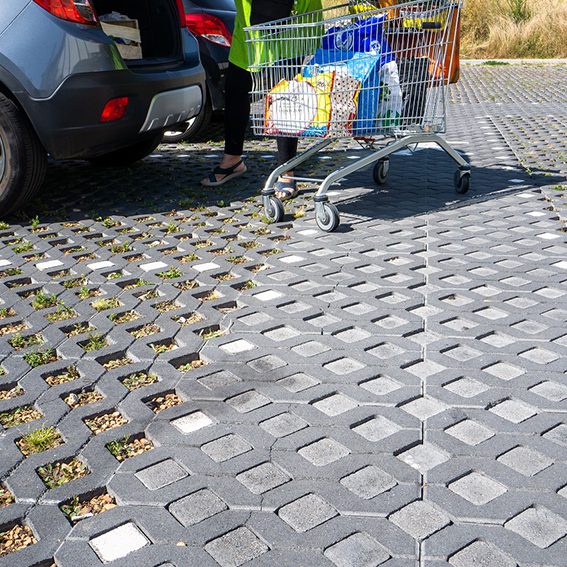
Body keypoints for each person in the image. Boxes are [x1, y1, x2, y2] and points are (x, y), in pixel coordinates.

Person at [201, 0, 322, 201]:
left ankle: (287, 172)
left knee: (284, 95)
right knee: (235, 90)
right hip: (251, 29)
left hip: (288, 24)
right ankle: (232, 160)